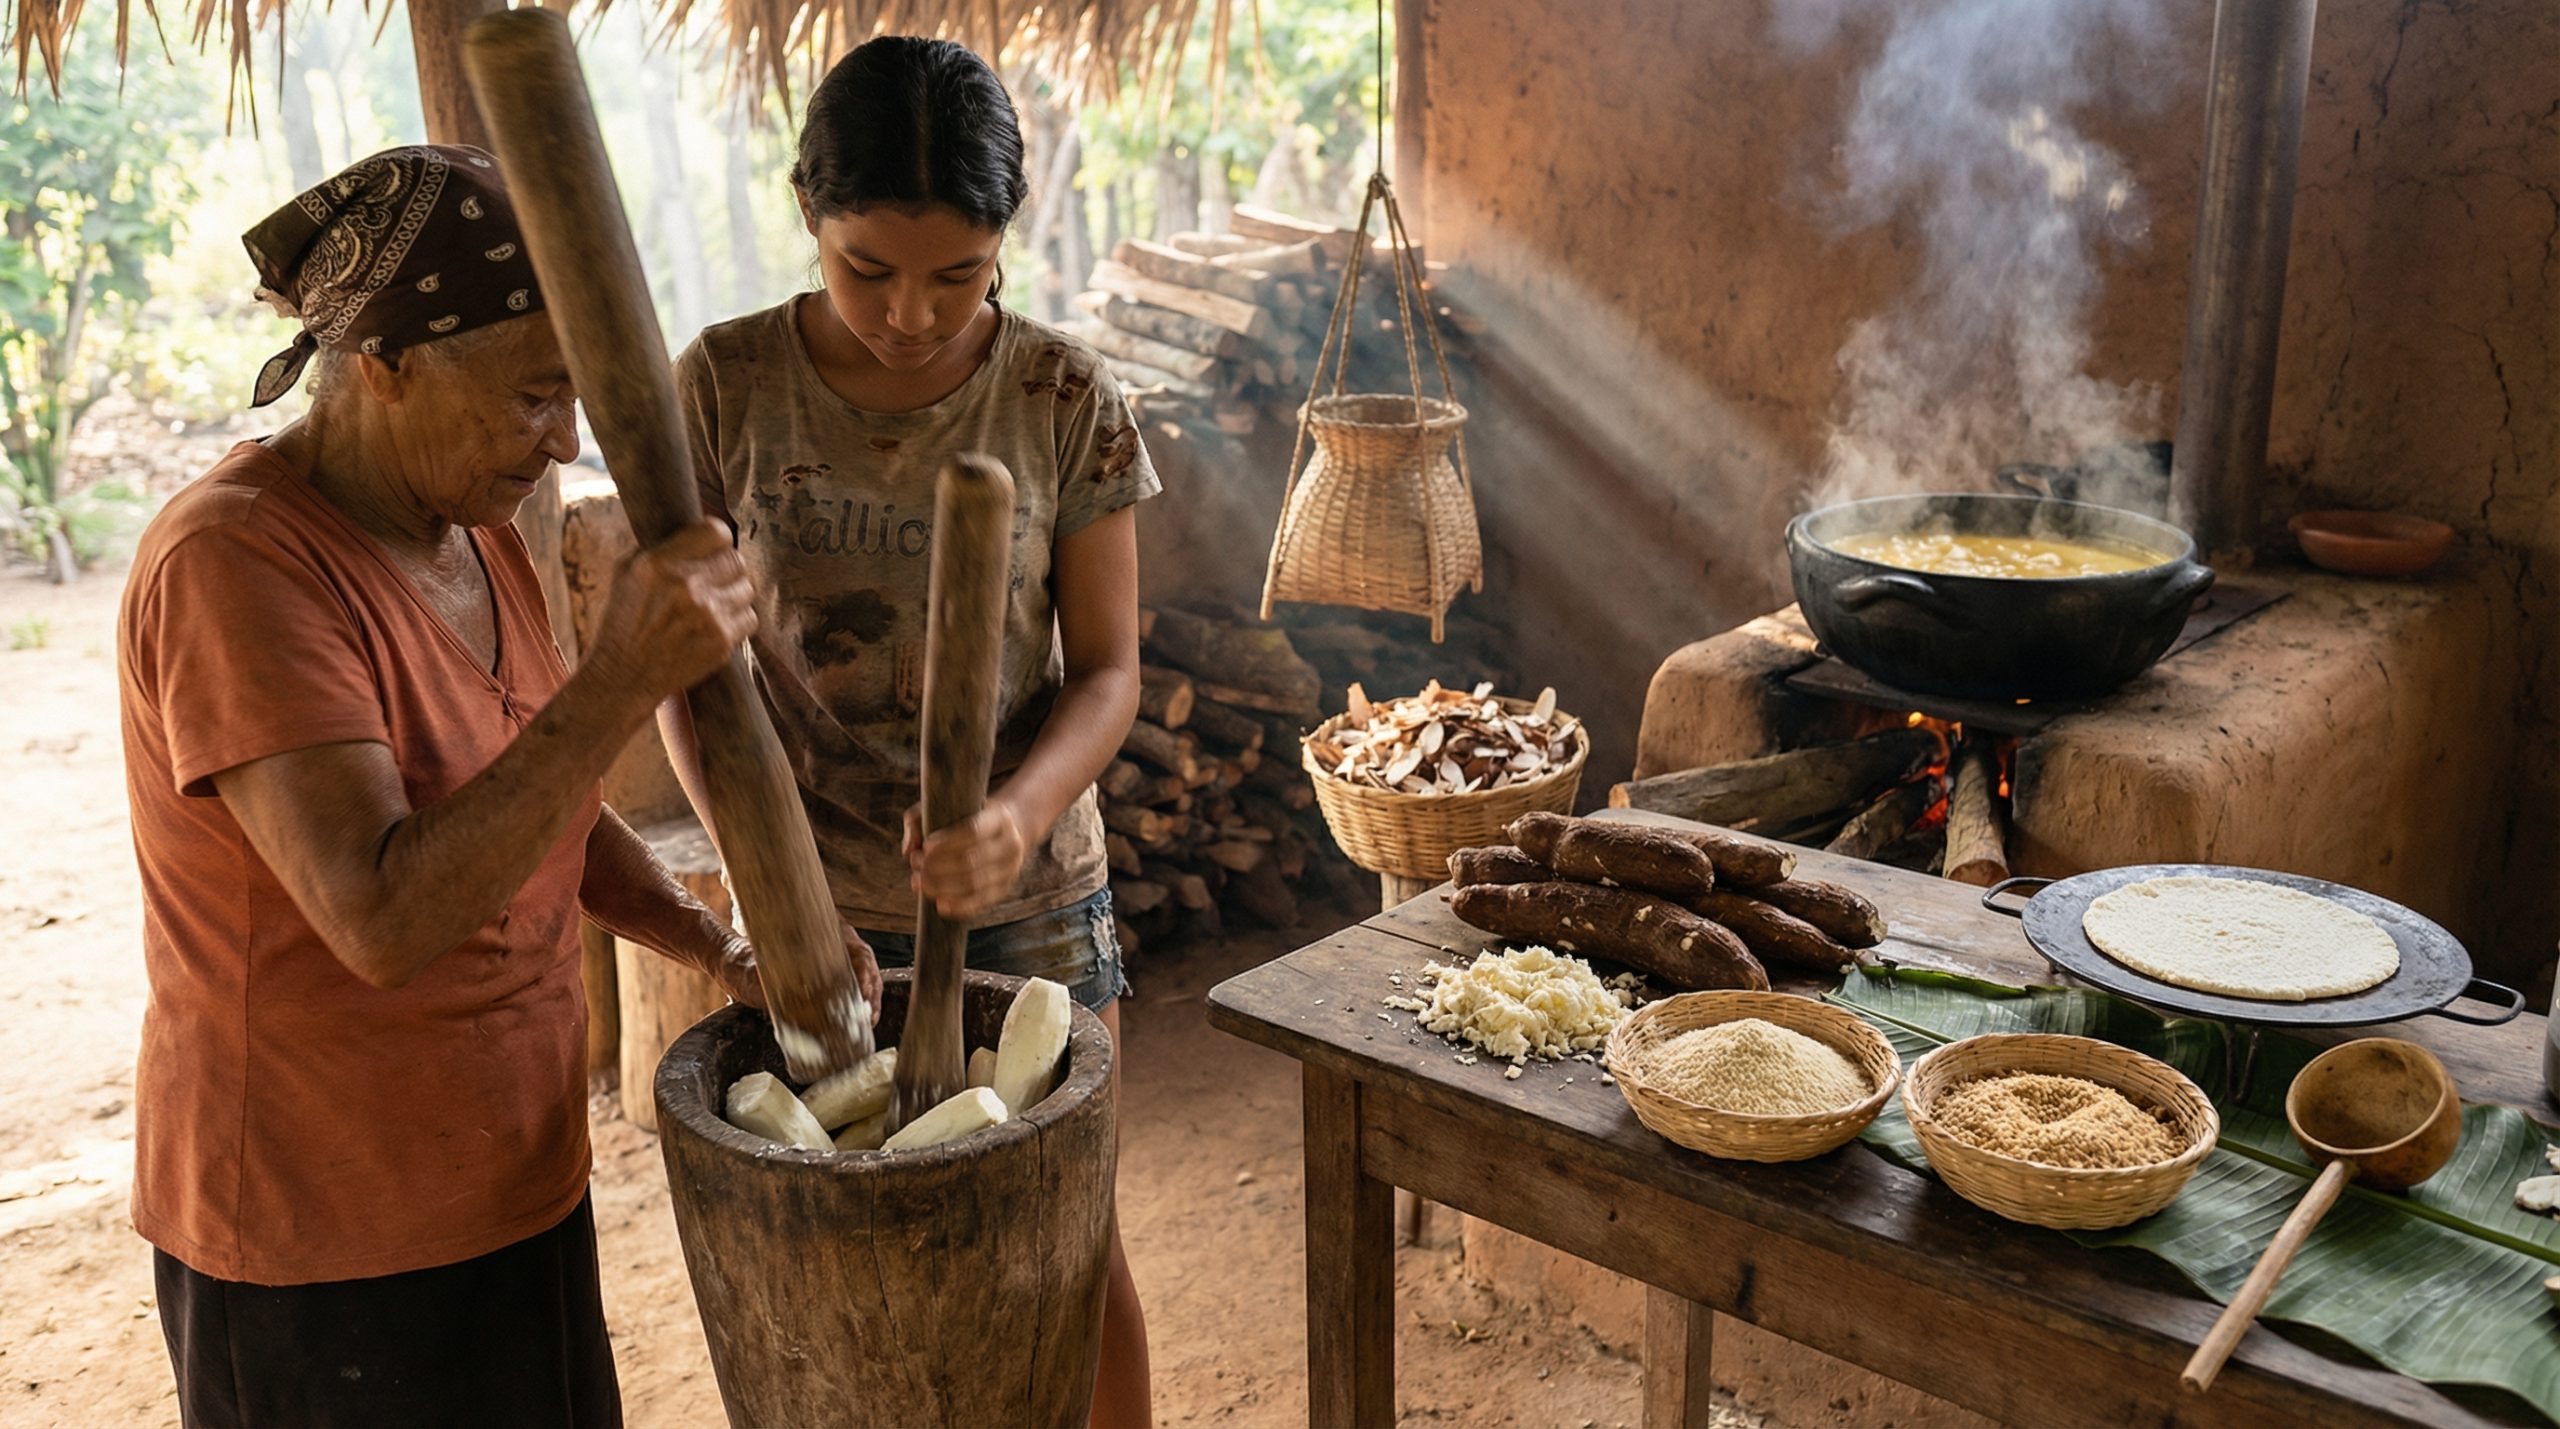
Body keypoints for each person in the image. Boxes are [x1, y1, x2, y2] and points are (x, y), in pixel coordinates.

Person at [117, 144, 881, 1427]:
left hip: (506, 1179)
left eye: (575, 395)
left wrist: (714, 942)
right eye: (534, 396)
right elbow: (383, 917)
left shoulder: (473, 533)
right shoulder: (236, 567)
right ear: (386, 362)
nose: (566, 438)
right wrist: (620, 678)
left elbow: (547, 810)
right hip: (324, 1231)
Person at [665, 36, 1157, 1427]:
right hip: (809, 901)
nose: (911, 313)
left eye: (959, 274)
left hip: (1030, 893)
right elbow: (686, 673)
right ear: (808, 217)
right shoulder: (724, 386)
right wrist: (763, 880)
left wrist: (1014, 816)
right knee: (850, 1276)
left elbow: (1109, 672)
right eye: (866, 268)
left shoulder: (1063, 400)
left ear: (1011, 235)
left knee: (1066, 1247)